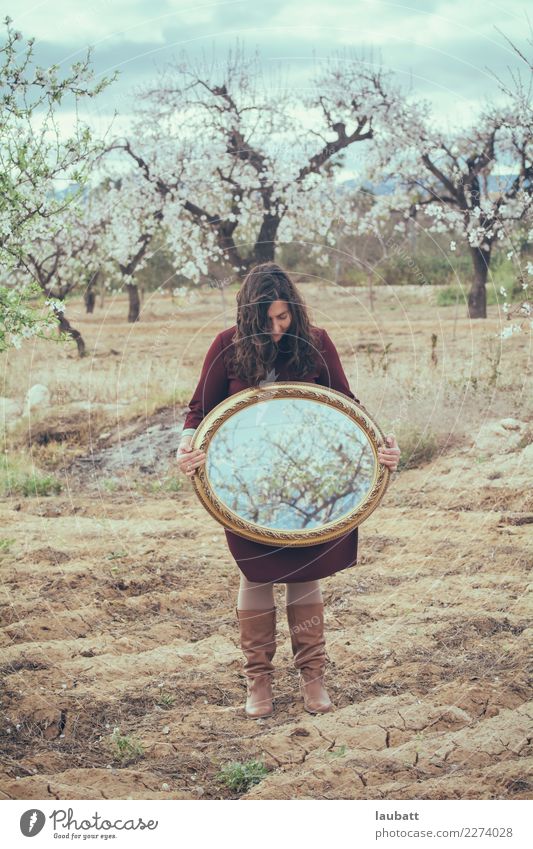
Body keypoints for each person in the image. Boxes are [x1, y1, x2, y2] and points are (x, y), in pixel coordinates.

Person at [176, 262, 400, 719]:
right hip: (245, 486)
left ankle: (312, 677)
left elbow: (346, 408)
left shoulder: (316, 343)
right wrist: (187, 447)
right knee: (255, 575)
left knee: (305, 575)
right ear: (249, 315)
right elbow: (199, 410)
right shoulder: (226, 346)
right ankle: (257, 681)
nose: (277, 329)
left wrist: (379, 445)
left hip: (308, 485)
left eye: (284, 318)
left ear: (294, 311)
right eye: (267, 320)